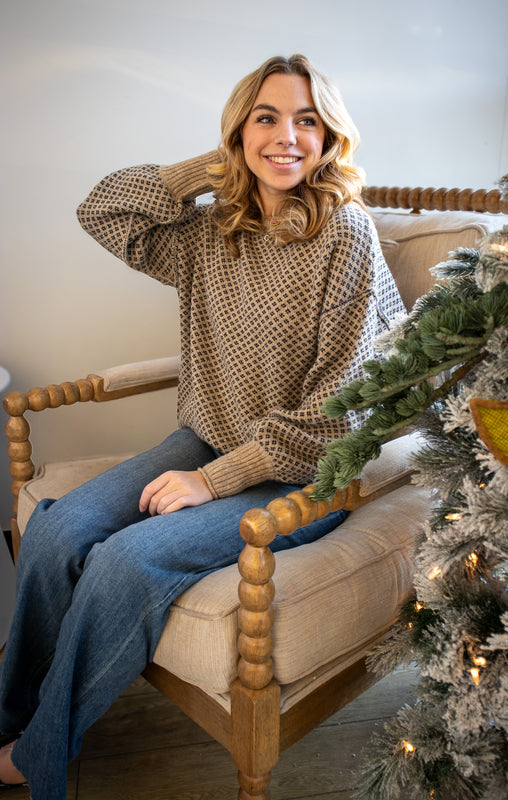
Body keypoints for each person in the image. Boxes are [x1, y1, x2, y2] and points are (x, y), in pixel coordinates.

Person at [0, 54, 405, 797]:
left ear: (329, 137)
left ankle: (36, 756)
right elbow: (103, 210)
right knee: (59, 531)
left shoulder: (345, 233)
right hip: (210, 431)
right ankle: (9, 714)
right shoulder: (212, 230)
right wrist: (209, 170)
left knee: (127, 560)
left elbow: (335, 415)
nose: (287, 136)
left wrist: (210, 480)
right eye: (266, 117)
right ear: (238, 130)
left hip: (302, 466)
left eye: (306, 120)